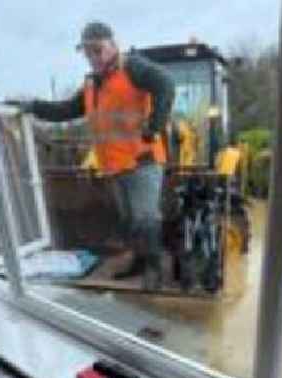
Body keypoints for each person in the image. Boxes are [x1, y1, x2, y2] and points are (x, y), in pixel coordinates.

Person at [13, 21, 175, 289]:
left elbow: (166, 84)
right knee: (129, 220)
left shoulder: (133, 68)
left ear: (113, 45)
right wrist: (33, 106)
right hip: (115, 165)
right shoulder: (91, 84)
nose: (93, 58)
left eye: (98, 50)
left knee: (145, 218)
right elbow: (66, 110)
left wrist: (154, 126)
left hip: (142, 161)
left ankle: (155, 271)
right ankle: (138, 262)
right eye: (88, 53)